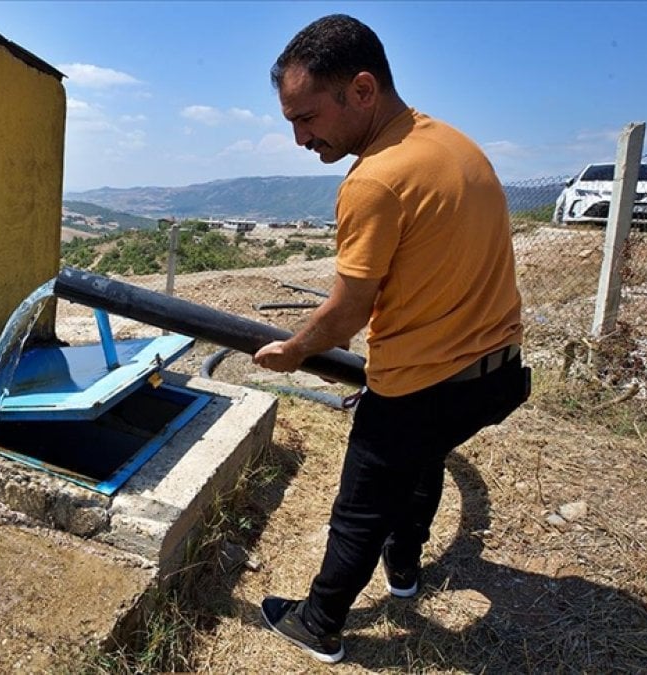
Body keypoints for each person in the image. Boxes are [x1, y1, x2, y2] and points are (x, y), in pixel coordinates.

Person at [252, 14, 530, 664]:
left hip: (421, 387)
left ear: (363, 90)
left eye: (308, 117)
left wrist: (294, 350)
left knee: (362, 503)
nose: (299, 138)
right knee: (422, 458)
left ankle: (318, 621)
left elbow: (348, 310)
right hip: (497, 375)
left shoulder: (375, 180)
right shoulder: (457, 147)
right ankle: (405, 567)